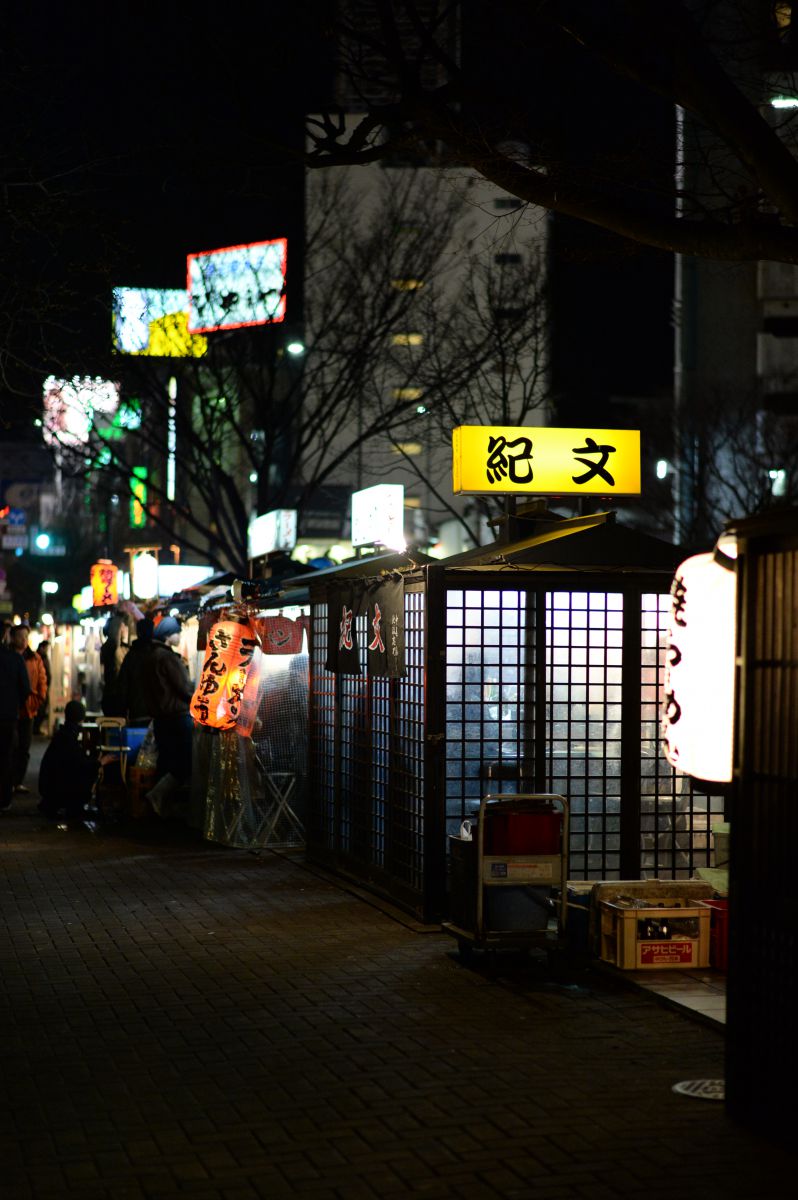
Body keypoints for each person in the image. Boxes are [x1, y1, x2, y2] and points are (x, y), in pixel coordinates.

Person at [142, 616, 194, 814]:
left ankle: (160, 807)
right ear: (168, 636)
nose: (180, 636)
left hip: (160, 719)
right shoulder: (167, 657)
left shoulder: (151, 656)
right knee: (186, 763)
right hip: (177, 717)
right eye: (177, 632)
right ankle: (157, 797)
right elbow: (185, 688)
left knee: (166, 761)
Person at [37, 700, 98, 827]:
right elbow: (81, 765)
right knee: (87, 773)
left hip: (47, 789)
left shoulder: (62, 735)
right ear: (81, 718)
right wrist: (99, 763)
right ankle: (73, 806)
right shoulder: (70, 738)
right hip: (56, 791)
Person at [11, 623, 48, 792]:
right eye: (20, 636)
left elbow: (42, 681)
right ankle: (8, 782)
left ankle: (17, 781)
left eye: (26, 636)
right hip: (10, 711)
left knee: (24, 748)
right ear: (13, 638)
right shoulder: (8, 656)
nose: (24, 640)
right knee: (10, 746)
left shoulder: (35, 658)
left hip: (29, 710)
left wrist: (38, 701)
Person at [0, 634, 31, 810]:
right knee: (6, 757)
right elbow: (25, 689)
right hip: (8, 716)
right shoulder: (15, 659)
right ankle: (4, 799)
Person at [115, 616, 156, 725]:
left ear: (138, 633)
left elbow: (122, 686)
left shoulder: (131, 656)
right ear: (153, 633)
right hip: (158, 714)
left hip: (136, 713)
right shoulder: (158, 654)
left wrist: (122, 713)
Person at [33, 639, 52, 735]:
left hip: (44, 687)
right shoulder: (37, 658)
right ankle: (35, 729)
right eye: (46, 648)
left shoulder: (43, 657)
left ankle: (36, 728)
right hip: (40, 688)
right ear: (41, 648)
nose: (47, 650)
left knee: (43, 709)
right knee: (40, 709)